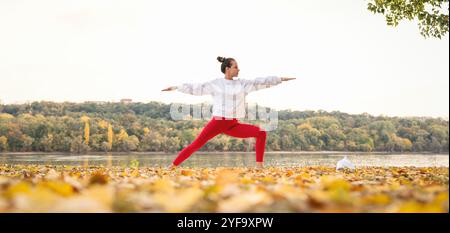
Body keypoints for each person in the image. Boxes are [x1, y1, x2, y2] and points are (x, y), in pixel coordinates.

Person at [162, 56, 296, 169]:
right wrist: (176, 87)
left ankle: (259, 167)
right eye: (235, 67)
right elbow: (196, 88)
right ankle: (172, 167)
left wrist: (280, 79)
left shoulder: (242, 84)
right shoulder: (216, 84)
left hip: (233, 124)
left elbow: (260, 82)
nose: (238, 69)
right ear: (227, 69)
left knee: (261, 133)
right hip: (218, 122)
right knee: (195, 145)